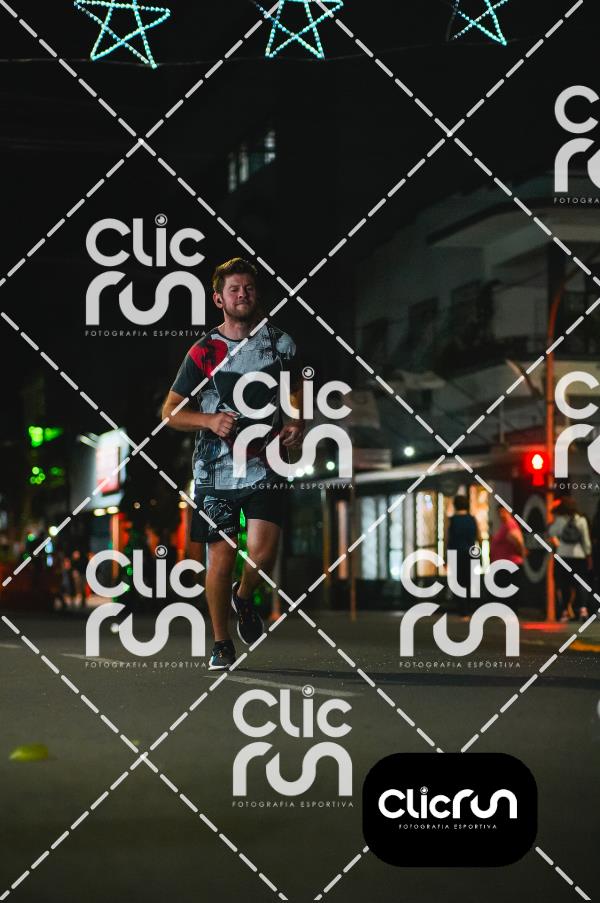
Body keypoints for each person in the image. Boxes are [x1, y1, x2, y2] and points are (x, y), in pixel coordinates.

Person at [162, 258, 304, 670]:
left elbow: (296, 388)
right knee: (221, 558)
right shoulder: (204, 351)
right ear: (218, 299)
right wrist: (208, 420)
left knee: (263, 552)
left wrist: (298, 421)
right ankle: (221, 642)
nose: (243, 295)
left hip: (266, 463)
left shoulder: (280, 343)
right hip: (215, 471)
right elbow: (170, 412)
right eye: (234, 289)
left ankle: (244, 597)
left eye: (249, 288)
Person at [548, 497, 592, 622]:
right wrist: (588, 555)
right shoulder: (581, 520)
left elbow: (551, 532)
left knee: (564, 584)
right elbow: (586, 540)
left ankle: (565, 612)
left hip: (563, 555)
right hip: (579, 556)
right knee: (581, 583)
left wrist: (558, 543)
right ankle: (583, 610)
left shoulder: (560, 520)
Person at [446, 495, 480, 618]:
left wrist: (446, 558)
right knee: (469, 580)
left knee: (458, 582)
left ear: (455, 505)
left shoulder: (452, 520)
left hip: (456, 554)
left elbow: (448, 539)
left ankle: (463, 609)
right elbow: (478, 537)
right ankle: (469, 607)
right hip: (470, 553)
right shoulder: (472, 519)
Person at [490, 506, 525, 610]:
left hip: (509, 563)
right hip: (505, 563)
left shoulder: (510, 524)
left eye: (503, 512)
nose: (501, 515)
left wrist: (521, 551)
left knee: (507, 592)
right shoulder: (505, 525)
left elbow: (517, 540)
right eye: (499, 512)